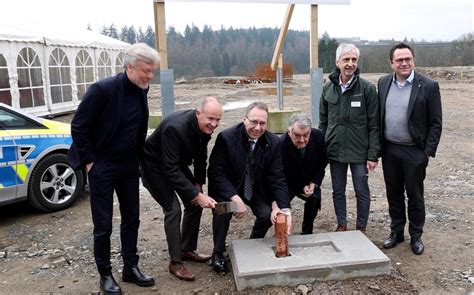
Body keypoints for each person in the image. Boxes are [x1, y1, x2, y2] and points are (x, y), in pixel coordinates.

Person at [68, 43, 159, 294]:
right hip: (103, 165)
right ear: (130, 67)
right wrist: (89, 161)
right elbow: (79, 126)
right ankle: (105, 274)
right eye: (146, 71)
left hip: (129, 164)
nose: (150, 76)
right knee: (103, 224)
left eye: (153, 72)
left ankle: (130, 267)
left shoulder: (141, 89)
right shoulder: (102, 90)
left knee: (132, 218)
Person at [140, 97, 222, 281]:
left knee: (194, 204)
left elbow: (201, 156)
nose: (214, 124)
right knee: (173, 210)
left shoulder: (204, 127)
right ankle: (175, 263)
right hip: (153, 167)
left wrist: (198, 185)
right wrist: (196, 194)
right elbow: (169, 169)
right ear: (198, 113)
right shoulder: (174, 128)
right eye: (210, 119)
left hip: (175, 163)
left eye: (218, 120)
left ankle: (186, 249)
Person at [208, 101, 292, 274]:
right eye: (253, 121)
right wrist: (235, 198)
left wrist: (283, 207)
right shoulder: (226, 137)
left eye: (262, 123)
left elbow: (277, 177)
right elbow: (216, 173)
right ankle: (217, 253)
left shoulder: (273, 142)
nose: (257, 127)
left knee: (266, 214)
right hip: (229, 190)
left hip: (255, 189)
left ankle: (254, 242)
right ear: (244, 119)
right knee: (222, 211)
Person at [378, 43, 442, 255]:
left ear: (413, 60)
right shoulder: (384, 82)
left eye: (408, 59)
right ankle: (396, 233)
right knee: (393, 194)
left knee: (415, 195)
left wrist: (427, 152)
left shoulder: (429, 85)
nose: (404, 63)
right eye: (399, 60)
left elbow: (436, 123)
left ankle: (416, 236)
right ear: (391, 63)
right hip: (390, 151)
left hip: (415, 152)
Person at [319, 43, 380, 233]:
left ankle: (361, 227)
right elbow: (323, 122)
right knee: (338, 190)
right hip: (335, 150)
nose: (350, 64)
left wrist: (372, 155)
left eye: (354, 59)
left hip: (359, 152)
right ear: (338, 62)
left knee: (361, 191)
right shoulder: (328, 88)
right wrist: (321, 150)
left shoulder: (367, 89)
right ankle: (342, 225)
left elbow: (374, 124)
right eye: (346, 59)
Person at [280, 114, 328, 235]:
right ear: (289, 131)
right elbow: (279, 174)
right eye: (297, 135)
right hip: (288, 182)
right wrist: (299, 187)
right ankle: (276, 232)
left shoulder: (318, 137)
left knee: (314, 199)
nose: (302, 140)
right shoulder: (280, 144)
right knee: (277, 208)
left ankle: (307, 232)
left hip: (308, 179)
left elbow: (322, 162)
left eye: (306, 135)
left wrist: (314, 183)